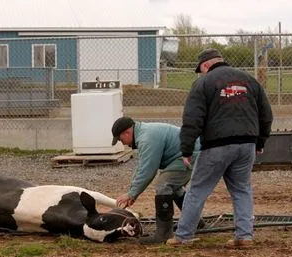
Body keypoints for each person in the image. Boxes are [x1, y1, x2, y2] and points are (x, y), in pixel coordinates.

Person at [167, 48, 273, 248]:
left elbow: (192, 119)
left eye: (201, 69)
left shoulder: (204, 83)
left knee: (197, 190)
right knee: (242, 190)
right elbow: (266, 114)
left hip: (217, 146)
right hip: (247, 145)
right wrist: (260, 141)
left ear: (206, 65)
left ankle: (183, 236)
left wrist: (186, 149)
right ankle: (244, 236)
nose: (201, 73)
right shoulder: (249, 80)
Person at [111, 116, 204, 245]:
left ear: (127, 132)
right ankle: (194, 221)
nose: (124, 144)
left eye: (121, 140)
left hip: (191, 154)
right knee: (173, 186)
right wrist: (132, 192)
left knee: (163, 185)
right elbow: (141, 167)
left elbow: (148, 170)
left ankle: (164, 234)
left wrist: (132, 194)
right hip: (186, 153)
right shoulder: (144, 134)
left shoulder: (146, 138)